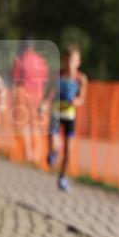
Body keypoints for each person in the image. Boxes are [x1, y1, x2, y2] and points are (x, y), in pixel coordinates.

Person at [39, 45, 88, 192]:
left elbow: (82, 98)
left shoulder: (81, 79)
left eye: (73, 61)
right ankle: (53, 152)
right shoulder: (57, 77)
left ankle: (62, 178)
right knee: (53, 140)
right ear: (64, 61)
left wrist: (76, 102)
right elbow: (48, 95)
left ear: (78, 62)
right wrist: (43, 105)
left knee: (69, 151)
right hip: (55, 113)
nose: (70, 64)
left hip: (69, 116)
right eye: (67, 61)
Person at [11, 39, 49, 161]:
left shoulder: (20, 60)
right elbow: (44, 81)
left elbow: (16, 82)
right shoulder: (41, 61)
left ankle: (28, 153)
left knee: (26, 126)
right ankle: (36, 154)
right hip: (38, 96)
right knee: (36, 126)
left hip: (24, 97)